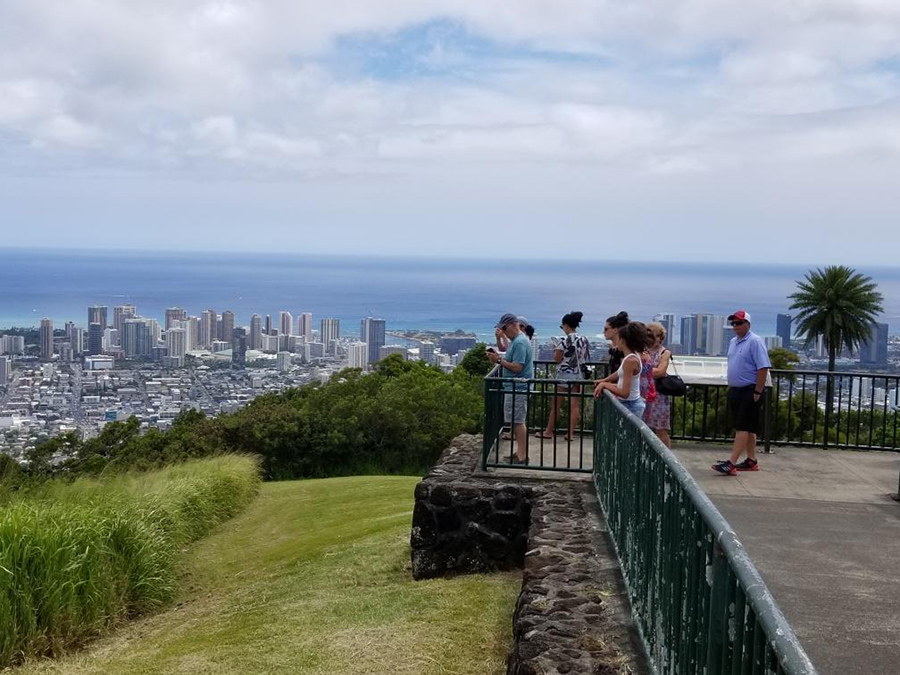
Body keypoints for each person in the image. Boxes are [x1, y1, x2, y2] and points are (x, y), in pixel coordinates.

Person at [712, 310, 771, 476]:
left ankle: (731, 463)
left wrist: (758, 390)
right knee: (750, 428)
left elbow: (763, 367)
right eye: (733, 323)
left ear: (748, 324)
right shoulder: (733, 341)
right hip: (736, 389)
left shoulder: (755, 341)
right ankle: (751, 460)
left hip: (749, 389)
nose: (735, 326)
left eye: (739, 323)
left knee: (742, 426)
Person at [486, 313, 534, 463]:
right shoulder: (516, 340)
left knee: (518, 421)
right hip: (514, 386)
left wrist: (499, 360)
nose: (504, 332)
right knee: (515, 420)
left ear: (514, 325)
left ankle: (522, 456)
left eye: (505, 328)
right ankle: (520, 452)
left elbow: (517, 367)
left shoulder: (520, 342)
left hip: (518, 386)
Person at [537, 311, 590, 441]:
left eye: (562, 327)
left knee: (556, 404)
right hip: (578, 376)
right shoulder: (584, 339)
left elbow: (557, 359)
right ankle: (570, 434)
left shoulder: (564, 341)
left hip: (564, 375)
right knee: (575, 405)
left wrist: (556, 350)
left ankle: (549, 431)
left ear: (566, 325)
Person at [594, 321, 649, 418]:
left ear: (623, 340)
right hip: (630, 404)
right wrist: (604, 380)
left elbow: (624, 393)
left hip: (630, 406)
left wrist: (605, 384)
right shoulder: (632, 356)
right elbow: (620, 372)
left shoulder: (630, 361)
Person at [643, 322, 672, 447]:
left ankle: (667, 460)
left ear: (659, 337)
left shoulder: (664, 353)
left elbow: (661, 371)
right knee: (644, 427)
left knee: (661, 429)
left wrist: (643, 370)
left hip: (658, 396)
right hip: (644, 393)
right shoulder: (643, 350)